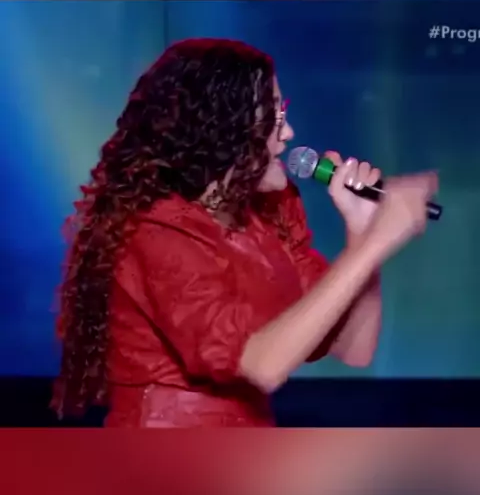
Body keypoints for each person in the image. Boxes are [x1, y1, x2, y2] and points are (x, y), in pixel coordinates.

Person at [52, 38, 437, 427]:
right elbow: (260, 365)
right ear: (221, 129)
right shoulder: (156, 231)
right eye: (273, 116)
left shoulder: (266, 215)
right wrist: (374, 244)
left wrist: (361, 232)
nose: (289, 133)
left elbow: (354, 348)